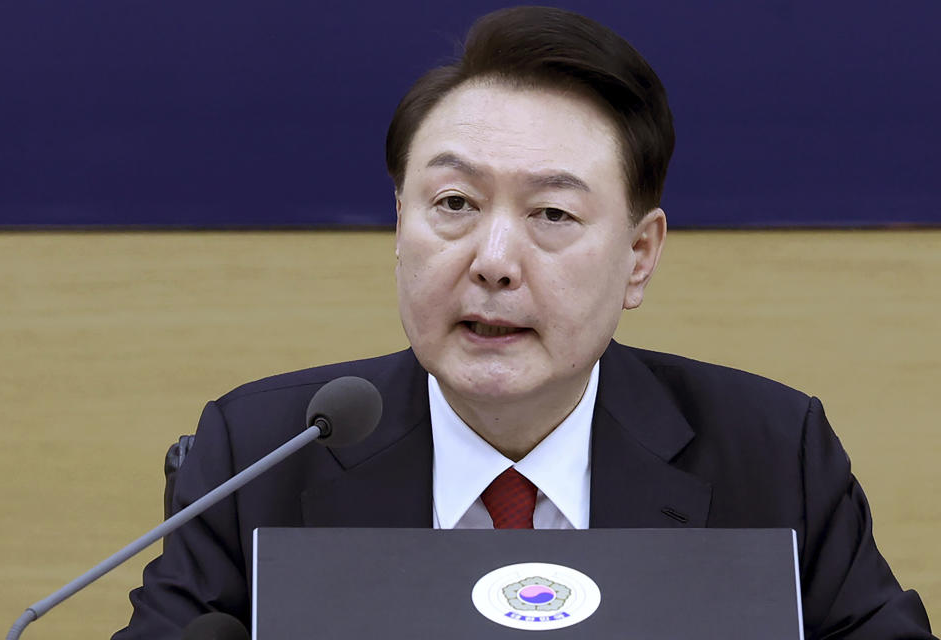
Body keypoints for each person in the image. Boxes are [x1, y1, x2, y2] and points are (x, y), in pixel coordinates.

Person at [114, 6, 934, 638]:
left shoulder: (771, 454)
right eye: (455, 205)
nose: (494, 259)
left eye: (550, 213)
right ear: (400, 227)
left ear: (639, 257)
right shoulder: (259, 456)